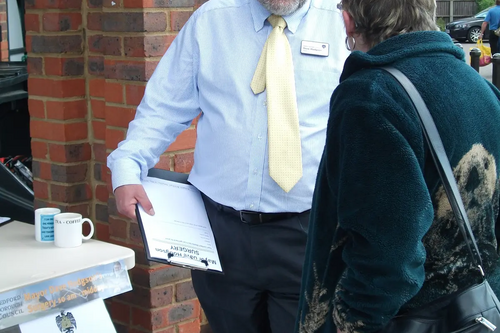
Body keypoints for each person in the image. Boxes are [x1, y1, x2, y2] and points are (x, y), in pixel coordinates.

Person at [106, 0, 349, 330]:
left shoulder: (342, 21)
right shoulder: (211, 20)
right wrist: (127, 167)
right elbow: (163, 108)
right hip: (220, 235)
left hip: (309, 234)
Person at [296, 0, 500, 332]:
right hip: (476, 315)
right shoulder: (477, 86)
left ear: (348, 22)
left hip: (406, 319)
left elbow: (387, 263)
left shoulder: (371, 97)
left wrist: (347, 325)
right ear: (428, 9)